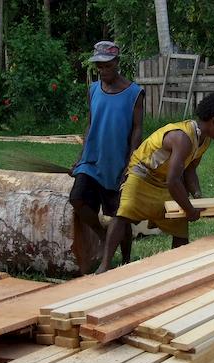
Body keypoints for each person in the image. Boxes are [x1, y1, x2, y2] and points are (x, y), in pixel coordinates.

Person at [95, 93, 214, 274]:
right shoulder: (183, 138)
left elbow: (190, 171)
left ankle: (177, 269)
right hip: (142, 175)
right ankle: (104, 266)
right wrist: (189, 210)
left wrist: (197, 198)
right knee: (124, 212)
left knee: (179, 226)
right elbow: (173, 181)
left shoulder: (204, 140)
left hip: (164, 181)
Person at [70, 41, 145, 273]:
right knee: (77, 199)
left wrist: (130, 162)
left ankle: (126, 259)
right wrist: (81, 156)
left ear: (117, 64)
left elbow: (137, 129)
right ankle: (103, 235)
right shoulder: (93, 89)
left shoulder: (134, 93)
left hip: (117, 162)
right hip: (92, 159)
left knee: (119, 214)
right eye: (99, 67)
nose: (103, 70)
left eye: (107, 66)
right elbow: (91, 123)